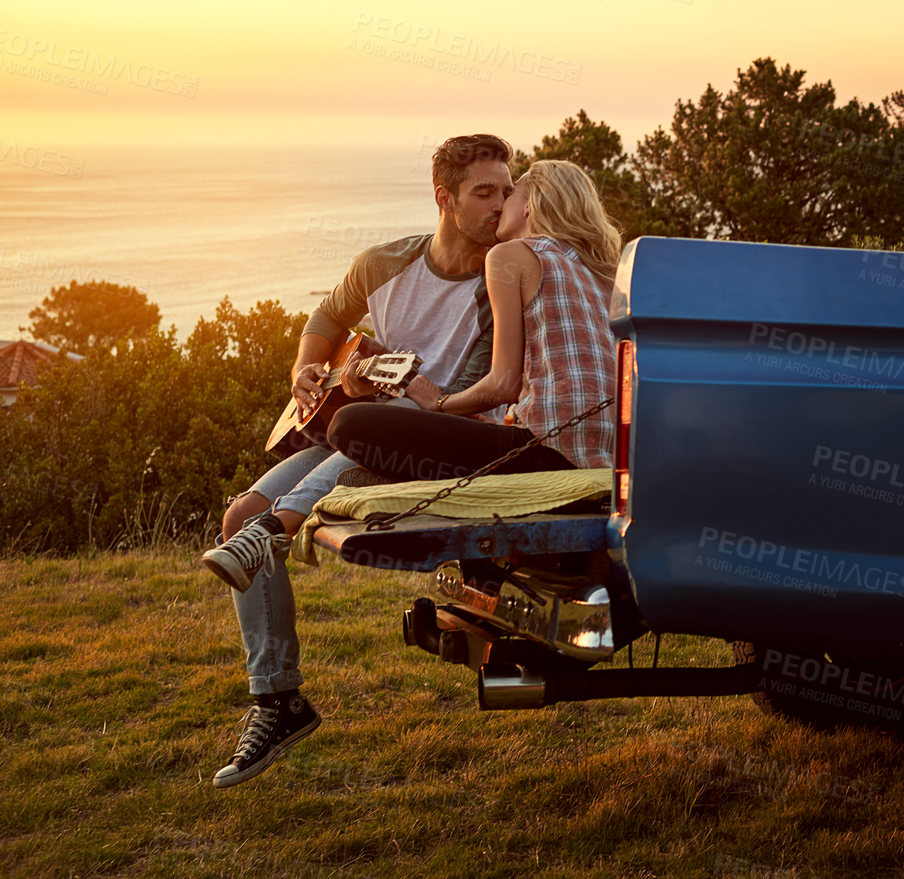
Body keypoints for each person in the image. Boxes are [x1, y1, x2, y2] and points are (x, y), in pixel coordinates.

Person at [200, 133, 512, 789]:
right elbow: (327, 313)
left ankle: (274, 532)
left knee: (288, 504)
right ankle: (278, 701)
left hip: (429, 441)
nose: (500, 205)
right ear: (444, 198)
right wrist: (308, 367)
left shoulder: (504, 278)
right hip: (352, 422)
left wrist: (412, 398)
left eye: (507, 191)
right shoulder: (384, 263)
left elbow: (475, 400)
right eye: (485, 192)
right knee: (238, 515)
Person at [329, 158, 619, 483]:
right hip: (608, 457)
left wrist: (438, 402)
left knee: (348, 424)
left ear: (529, 206)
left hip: (546, 455)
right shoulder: (603, 276)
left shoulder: (510, 256)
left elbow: (503, 384)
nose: (500, 205)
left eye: (511, 194)